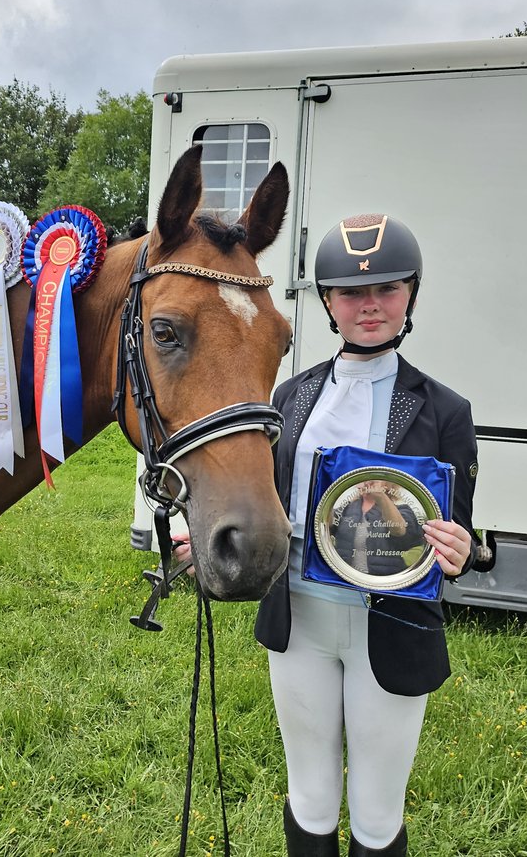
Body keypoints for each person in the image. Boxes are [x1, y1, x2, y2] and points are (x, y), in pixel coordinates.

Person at [177, 214, 478, 856]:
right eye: (350, 293)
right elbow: (271, 498)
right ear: (328, 303)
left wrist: (458, 551)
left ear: (411, 296)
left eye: (387, 289)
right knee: (309, 797)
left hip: (390, 626)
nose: (369, 305)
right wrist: (199, 539)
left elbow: (460, 528)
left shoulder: (446, 410)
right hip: (302, 625)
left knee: (376, 810)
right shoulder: (289, 395)